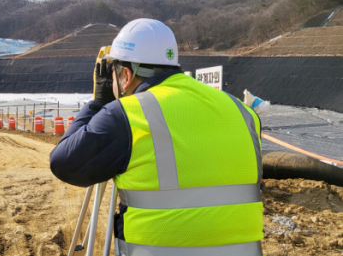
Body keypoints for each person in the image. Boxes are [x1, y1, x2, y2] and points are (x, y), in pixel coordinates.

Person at [50, 18, 263, 255]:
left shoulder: (126, 116)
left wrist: (99, 102)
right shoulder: (243, 112)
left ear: (126, 76)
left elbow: (63, 163)